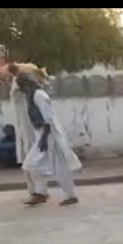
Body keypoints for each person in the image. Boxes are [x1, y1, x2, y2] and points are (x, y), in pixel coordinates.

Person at [15, 73, 82, 207]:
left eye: (21, 86)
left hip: (50, 135)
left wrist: (44, 138)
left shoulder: (39, 95)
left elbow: (48, 118)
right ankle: (41, 193)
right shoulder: (31, 96)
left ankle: (69, 196)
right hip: (43, 135)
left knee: (54, 167)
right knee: (32, 165)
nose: (21, 89)